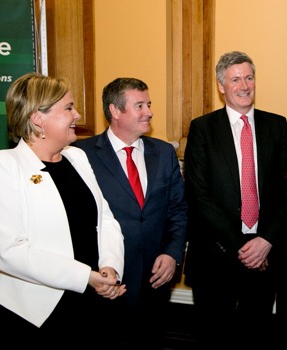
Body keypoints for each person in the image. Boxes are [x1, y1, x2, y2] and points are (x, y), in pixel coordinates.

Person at [0, 73, 126, 345]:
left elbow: (105, 218)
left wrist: (110, 267)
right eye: (69, 107)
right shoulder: (2, 165)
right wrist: (87, 277)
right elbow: (9, 252)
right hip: (34, 312)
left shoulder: (78, 157)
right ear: (38, 118)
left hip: (91, 300)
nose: (78, 114)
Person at [184, 50, 287, 349]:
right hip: (217, 251)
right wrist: (241, 245)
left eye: (249, 77)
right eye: (235, 79)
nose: (244, 85)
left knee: (256, 334)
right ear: (222, 86)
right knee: (214, 336)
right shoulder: (202, 129)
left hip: (266, 251)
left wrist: (265, 242)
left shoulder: (276, 126)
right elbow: (199, 195)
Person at [73, 77, 188, 347]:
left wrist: (172, 254)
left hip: (155, 280)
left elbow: (178, 210)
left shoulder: (163, 153)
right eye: (139, 105)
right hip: (107, 283)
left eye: (148, 104)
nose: (148, 111)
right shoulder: (81, 154)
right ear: (115, 111)